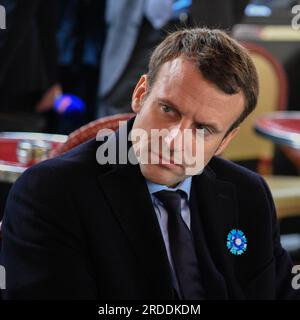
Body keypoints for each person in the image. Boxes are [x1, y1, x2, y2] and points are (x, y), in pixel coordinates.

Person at [1, 28, 299, 300]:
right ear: (141, 94)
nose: (173, 141)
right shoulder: (50, 194)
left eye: (203, 130)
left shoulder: (249, 194)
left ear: (224, 142)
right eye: (168, 109)